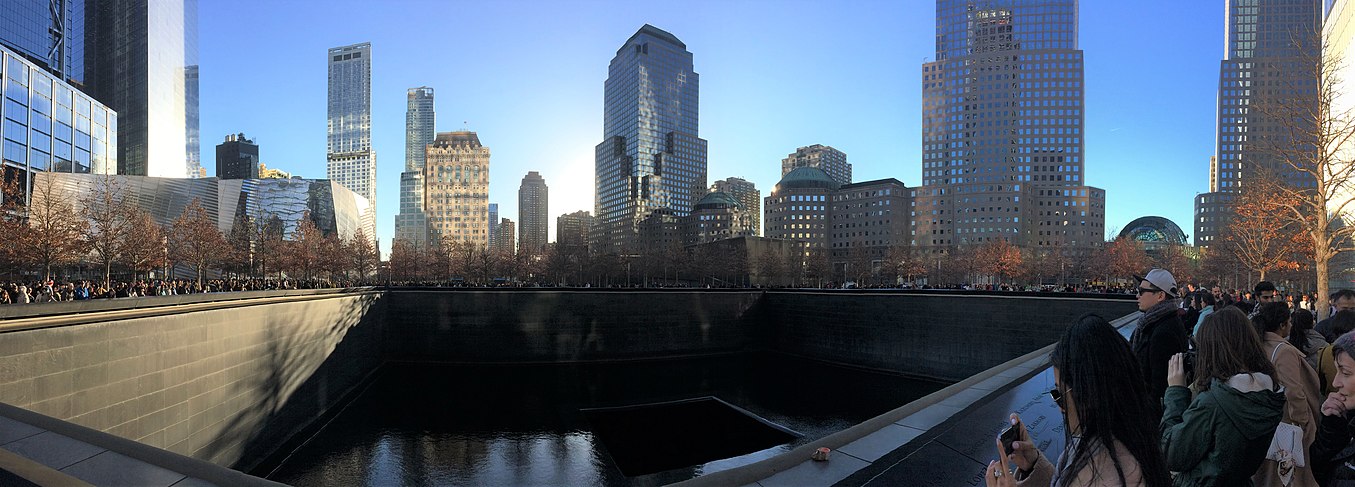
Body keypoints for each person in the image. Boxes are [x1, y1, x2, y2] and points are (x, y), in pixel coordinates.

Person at [984, 314, 1171, 487]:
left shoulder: (1098, 474)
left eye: (1060, 395)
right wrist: (1034, 465)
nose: (1060, 409)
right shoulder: (1134, 438)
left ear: (1088, 393)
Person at [1161, 307, 1285, 486]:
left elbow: (1172, 455)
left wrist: (1176, 391)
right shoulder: (1271, 394)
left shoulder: (1214, 403)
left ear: (1212, 350)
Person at [1252, 302, 1322, 487]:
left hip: (1264, 421)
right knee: (1293, 475)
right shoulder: (1283, 351)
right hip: (1288, 423)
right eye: (1288, 322)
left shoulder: (1256, 345)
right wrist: (1303, 421)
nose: (1291, 326)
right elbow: (1293, 390)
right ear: (1282, 325)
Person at [1130, 268, 1189, 408]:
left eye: (1142, 291)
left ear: (1160, 296)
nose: (1137, 296)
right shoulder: (1158, 323)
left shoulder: (1163, 333)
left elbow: (1159, 389)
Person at [1310, 330, 1355, 485]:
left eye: (1346, 373)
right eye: (1337, 371)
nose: (1335, 383)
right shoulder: (1347, 421)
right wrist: (1332, 428)